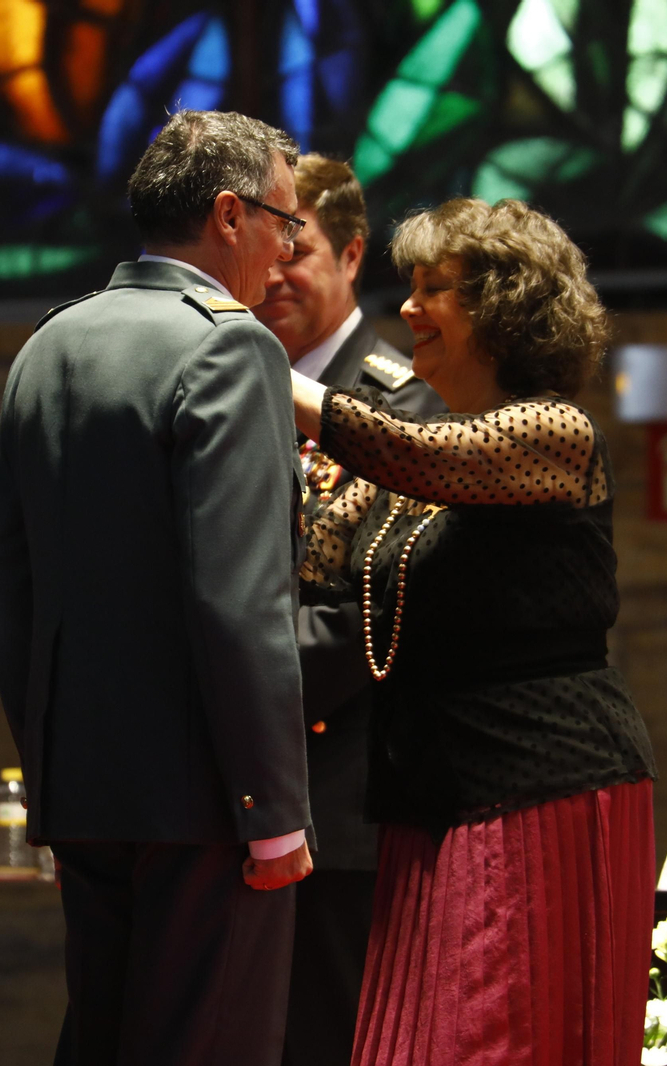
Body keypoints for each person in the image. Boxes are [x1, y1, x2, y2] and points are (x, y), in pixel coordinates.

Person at [0, 109, 314, 1066]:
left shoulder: (50, 345)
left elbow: (7, 589)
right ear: (229, 215)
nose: (289, 251)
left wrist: (53, 776)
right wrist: (271, 811)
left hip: (84, 793)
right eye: (284, 223)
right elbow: (240, 601)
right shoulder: (230, 347)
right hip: (208, 804)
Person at [291, 198, 657, 1066]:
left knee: (493, 1043)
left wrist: (253, 363)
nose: (407, 308)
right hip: (428, 795)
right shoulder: (425, 448)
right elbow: (319, 563)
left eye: (432, 290)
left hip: (535, 787)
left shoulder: (553, 431)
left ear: (503, 308)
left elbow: (405, 454)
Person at [251, 154, 444, 1066]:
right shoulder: (229, 391)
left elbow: (369, 616)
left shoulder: (406, 405)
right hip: (240, 791)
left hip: (343, 798)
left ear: (354, 255)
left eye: (298, 253)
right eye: (265, 255)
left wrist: (215, 683)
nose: (274, 277)